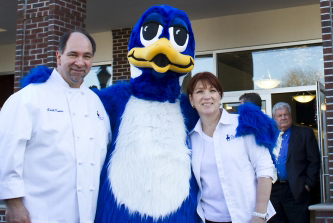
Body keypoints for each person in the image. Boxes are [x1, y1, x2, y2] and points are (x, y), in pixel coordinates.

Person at [0, 30, 111, 223]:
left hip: (87, 214)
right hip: (39, 214)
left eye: (86, 56)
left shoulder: (96, 103)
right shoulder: (28, 98)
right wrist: (13, 204)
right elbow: (7, 151)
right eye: (73, 54)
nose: (80, 62)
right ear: (58, 57)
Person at [187, 72, 276, 223]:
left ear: (220, 96)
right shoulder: (190, 138)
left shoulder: (243, 125)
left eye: (212, 91)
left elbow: (265, 169)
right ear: (191, 100)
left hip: (250, 218)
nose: (207, 96)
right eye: (200, 92)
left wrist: (260, 215)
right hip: (209, 219)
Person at [268, 102, 320, 223]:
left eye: (286, 114)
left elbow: (314, 161)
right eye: (279, 116)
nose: (283, 118)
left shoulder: (304, 134)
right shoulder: (268, 136)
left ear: (290, 116)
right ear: (274, 119)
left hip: (296, 190)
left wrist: (308, 184)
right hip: (273, 190)